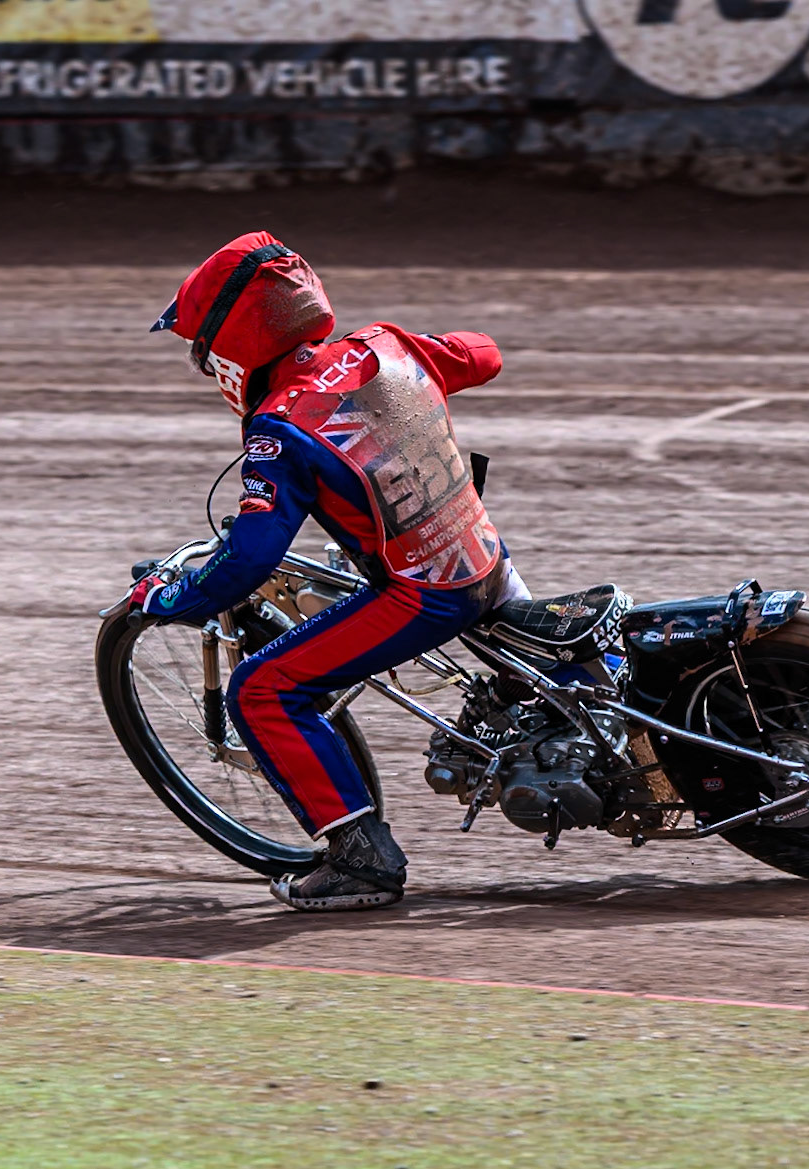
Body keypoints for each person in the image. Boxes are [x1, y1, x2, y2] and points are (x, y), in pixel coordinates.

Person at [132, 230, 524, 912]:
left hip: (427, 592)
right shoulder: (385, 345)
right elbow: (482, 354)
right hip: (487, 558)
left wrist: (167, 599)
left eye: (202, 352)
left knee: (260, 688)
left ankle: (360, 859)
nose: (202, 367)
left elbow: (250, 558)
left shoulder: (278, 431)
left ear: (233, 346)